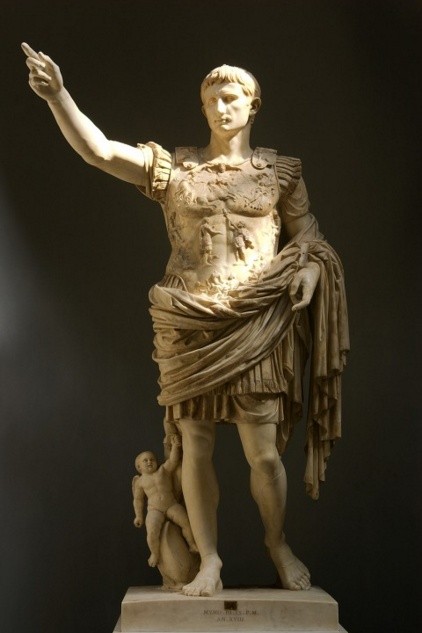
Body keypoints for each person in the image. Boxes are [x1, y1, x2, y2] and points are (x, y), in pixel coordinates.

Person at [22, 43, 349, 598]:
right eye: (212, 100)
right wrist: (59, 96)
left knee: (263, 453)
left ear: (253, 105)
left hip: (255, 322)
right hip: (189, 321)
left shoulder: (279, 172)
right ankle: (210, 560)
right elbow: (100, 152)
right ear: (202, 109)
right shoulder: (176, 169)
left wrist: (312, 273)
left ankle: (276, 542)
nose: (222, 107)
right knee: (194, 446)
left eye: (232, 98)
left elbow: (310, 240)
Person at [132, 435, 198, 568]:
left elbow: (173, 460)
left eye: (152, 459)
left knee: (186, 522)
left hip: (171, 504)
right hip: (154, 509)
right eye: (145, 460)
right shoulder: (140, 481)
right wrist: (139, 516)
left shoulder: (163, 470)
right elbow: (138, 500)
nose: (149, 462)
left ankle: (192, 544)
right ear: (139, 467)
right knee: (152, 532)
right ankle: (155, 553)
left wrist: (175, 446)